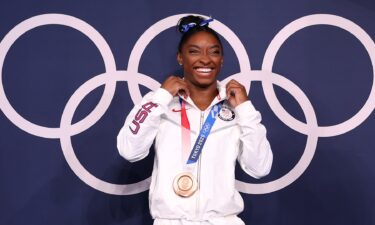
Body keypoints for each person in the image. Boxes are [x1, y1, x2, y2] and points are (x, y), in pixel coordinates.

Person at [117, 15, 273, 225]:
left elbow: (260, 168)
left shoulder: (237, 108)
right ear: (180, 58)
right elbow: (129, 150)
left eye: (214, 52)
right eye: (194, 51)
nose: (205, 59)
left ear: (222, 59)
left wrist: (245, 109)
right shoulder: (159, 102)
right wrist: (161, 97)